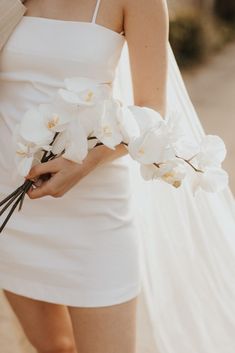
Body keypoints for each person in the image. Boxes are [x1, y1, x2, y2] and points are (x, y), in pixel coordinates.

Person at [1, 1, 235, 353]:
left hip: (95, 215)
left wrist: (84, 164)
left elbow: (151, 110)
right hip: (13, 207)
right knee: (53, 348)